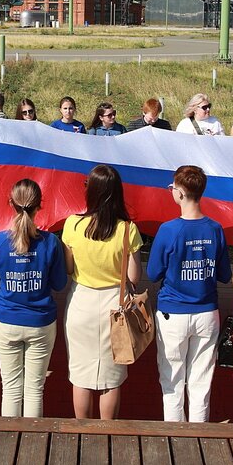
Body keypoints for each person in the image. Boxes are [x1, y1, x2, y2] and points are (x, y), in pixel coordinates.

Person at [147, 165, 231, 422]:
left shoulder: (169, 230)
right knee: (201, 383)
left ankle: (175, 437)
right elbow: (225, 275)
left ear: (180, 193)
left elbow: (152, 273)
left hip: (174, 312)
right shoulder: (215, 229)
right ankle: (199, 435)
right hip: (207, 311)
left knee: (172, 383)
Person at [62, 164, 142, 420]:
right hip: (115, 304)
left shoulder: (72, 225)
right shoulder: (127, 229)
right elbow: (134, 277)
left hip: (81, 302)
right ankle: (108, 430)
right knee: (112, 377)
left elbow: (68, 268)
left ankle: (81, 430)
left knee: (81, 375)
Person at [0, 179, 68, 417]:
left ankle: (10, 442)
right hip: (40, 323)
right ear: (39, 205)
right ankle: (34, 444)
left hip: (7, 321)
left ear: (11, 203)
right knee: (34, 389)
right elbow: (60, 283)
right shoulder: (51, 241)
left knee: (10, 389)